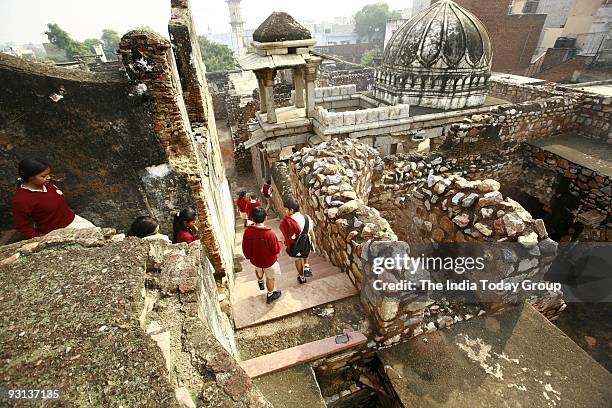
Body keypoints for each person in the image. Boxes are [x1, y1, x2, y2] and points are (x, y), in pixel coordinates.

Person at [11, 158, 95, 239]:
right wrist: (38, 240)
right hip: (56, 232)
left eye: (48, 174)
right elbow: (23, 226)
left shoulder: (47, 184)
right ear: (30, 177)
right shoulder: (21, 199)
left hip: (73, 220)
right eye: (43, 176)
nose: (48, 178)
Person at [242, 207, 282, 304]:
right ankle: (270, 294)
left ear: (253, 219)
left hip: (256, 260)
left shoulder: (247, 232)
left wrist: (248, 256)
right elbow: (275, 250)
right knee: (270, 277)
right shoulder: (270, 234)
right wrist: (280, 243)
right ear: (265, 218)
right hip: (269, 261)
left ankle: (260, 281)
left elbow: (245, 247)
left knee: (258, 269)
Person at [279, 198, 316, 284]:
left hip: (295, 246)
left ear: (291, 210)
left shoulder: (287, 222)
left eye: (286, 209)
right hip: (306, 243)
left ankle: (302, 277)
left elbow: (286, 237)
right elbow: (311, 233)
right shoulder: (307, 218)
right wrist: (314, 244)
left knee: (297, 260)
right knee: (305, 247)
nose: (285, 211)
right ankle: (306, 266)